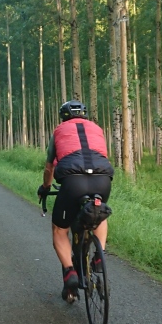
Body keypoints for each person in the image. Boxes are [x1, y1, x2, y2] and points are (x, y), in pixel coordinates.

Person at [38, 100, 114, 299]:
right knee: (99, 213)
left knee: (60, 230)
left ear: (63, 117)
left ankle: (70, 272)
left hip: (73, 182)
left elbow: (49, 167)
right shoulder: (97, 129)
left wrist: (45, 188)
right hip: (102, 179)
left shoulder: (58, 131)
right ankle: (99, 256)